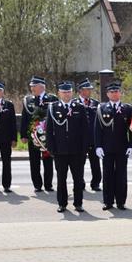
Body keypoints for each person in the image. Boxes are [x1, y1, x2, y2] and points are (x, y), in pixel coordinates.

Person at [45, 82, 89, 212]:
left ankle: (78, 203)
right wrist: (51, 149)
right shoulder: (53, 108)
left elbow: (85, 130)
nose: (66, 94)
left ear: (72, 93)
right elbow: (49, 130)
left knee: (78, 179)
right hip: (60, 150)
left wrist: (84, 149)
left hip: (77, 151)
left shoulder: (79, 107)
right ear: (59, 93)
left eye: (68, 92)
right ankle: (62, 203)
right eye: (64, 92)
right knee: (61, 179)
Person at [94, 82, 132, 211]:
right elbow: (97, 129)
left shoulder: (127, 108)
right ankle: (108, 201)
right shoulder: (101, 108)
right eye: (111, 92)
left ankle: (121, 202)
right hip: (106, 148)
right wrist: (98, 146)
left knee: (121, 175)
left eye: (116, 91)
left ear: (120, 93)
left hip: (122, 147)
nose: (114, 94)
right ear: (107, 94)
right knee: (107, 175)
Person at [20, 76, 57, 192]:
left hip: (48, 137)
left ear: (41, 87)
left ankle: (48, 184)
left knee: (48, 161)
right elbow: (24, 118)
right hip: (33, 137)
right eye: (31, 86)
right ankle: (37, 185)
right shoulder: (28, 100)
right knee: (34, 161)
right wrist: (23, 135)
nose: (31, 88)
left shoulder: (52, 99)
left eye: (33, 86)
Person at [76, 80, 101, 191]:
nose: (89, 91)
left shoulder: (96, 103)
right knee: (79, 163)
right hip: (80, 139)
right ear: (80, 91)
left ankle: (95, 183)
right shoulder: (74, 103)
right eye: (87, 89)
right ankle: (80, 183)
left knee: (95, 163)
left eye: (90, 89)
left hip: (93, 138)